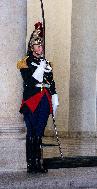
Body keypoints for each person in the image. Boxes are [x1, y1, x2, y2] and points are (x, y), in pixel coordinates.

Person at [17, 22, 59, 173]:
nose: (41, 48)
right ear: (32, 47)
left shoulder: (46, 63)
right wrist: (40, 68)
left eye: (41, 45)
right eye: (38, 45)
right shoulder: (25, 62)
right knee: (32, 131)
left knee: (40, 131)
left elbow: (51, 81)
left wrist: (54, 96)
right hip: (32, 99)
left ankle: (38, 161)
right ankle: (30, 163)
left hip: (44, 99)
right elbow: (29, 80)